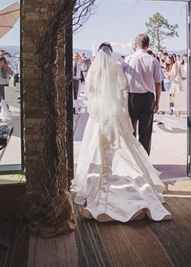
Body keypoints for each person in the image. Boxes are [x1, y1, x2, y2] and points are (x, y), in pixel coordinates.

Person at [71, 42, 172, 223]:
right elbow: (123, 88)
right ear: (110, 53)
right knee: (123, 145)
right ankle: (137, 193)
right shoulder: (117, 67)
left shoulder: (94, 69)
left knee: (96, 146)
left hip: (99, 113)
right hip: (114, 111)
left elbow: (90, 90)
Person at [122, 34, 164, 155]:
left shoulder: (128, 60)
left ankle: (133, 158)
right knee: (146, 131)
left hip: (132, 97)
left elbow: (121, 81)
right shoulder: (154, 61)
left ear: (135, 45)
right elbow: (158, 83)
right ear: (148, 45)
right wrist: (157, 102)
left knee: (131, 130)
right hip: (148, 98)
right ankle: (145, 159)